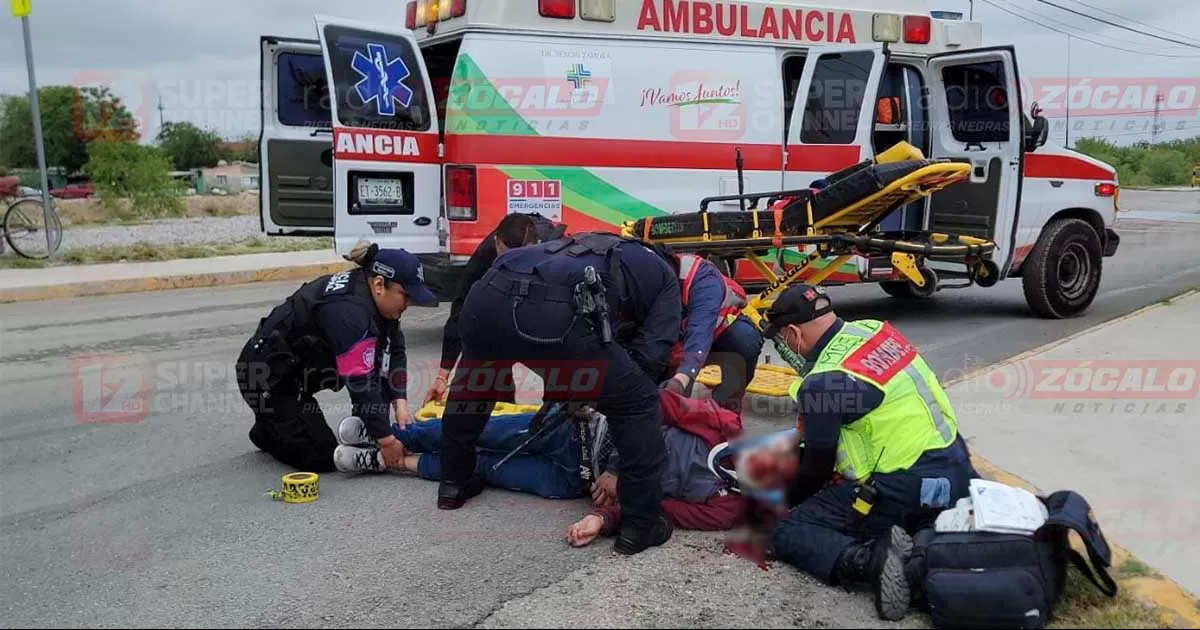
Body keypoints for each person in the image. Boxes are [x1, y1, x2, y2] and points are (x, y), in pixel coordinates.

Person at [439, 230, 682, 555]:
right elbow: (649, 358)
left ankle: (453, 482)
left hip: (488, 296)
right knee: (637, 402)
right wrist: (606, 393)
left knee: (475, 383)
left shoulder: (588, 246)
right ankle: (641, 525)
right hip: (557, 311)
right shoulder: (667, 278)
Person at [756, 283, 979, 622]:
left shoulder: (822, 382)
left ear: (793, 333)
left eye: (784, 338)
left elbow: (817, 468)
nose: (787, 346)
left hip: (905, 485)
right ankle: (920, 535)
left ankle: (870, 561)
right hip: (957, 469)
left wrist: (786, 500)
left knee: (790, 530)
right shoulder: (875, 331)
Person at [235, 240, 439, 473]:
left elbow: (395, 349)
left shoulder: (372, 294)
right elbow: (360, 381)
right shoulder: (349, 312)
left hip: (298, 369)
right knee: (320, 456)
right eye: (406, 296)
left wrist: (399, 402)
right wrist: (387, 441)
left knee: (376, 368)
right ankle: (268, 430)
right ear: (380, 284)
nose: (409, 304)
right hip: (266, 379)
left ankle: (287, 422)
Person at [566, 389, 746, 547]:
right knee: (543, 431)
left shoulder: (729, 510)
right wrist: (616, 465)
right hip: (603, 429)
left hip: (585, 477)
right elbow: (654, 403)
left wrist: (601, 519)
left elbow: (659, 509)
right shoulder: (724, 424)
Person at [331, 407, 606, 500]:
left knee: (484, 468)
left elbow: (647, 512)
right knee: (477, 430)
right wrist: (616, 470)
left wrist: (605, 517)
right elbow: (642, 414)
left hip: (577, 480)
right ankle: (389, 437)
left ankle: (388, 462)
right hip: (573, 429)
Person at [422, 214, 545, 406]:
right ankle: (501, 411)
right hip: (502, 311)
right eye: (505, 258)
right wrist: (442, 376)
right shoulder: (484, 256)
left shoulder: (552, 252)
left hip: (541, 309)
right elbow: (460, 312)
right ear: (496, 241)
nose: (511, 264)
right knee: (488, 363)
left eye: (519, 258)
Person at [658, 251, 763, 415]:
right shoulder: (645, 284)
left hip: (717, 335)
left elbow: (700, 332)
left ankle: (723, 413)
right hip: (675, 346)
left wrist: (681, 379)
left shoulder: (702, 277)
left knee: (745, 341)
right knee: (668, 410)